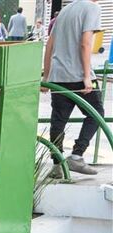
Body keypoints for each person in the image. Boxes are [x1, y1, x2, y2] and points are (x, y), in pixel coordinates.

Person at [44, 0, 104, 175]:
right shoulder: (92, 8)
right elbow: (86, 43)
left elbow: (50, 45)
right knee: (96, 114)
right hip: (78, 76)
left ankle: (57, 165)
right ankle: (76, 156)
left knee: (58, 120)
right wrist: (86, 76)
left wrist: (47, 75)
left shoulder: (65, 10)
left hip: (58, 76)